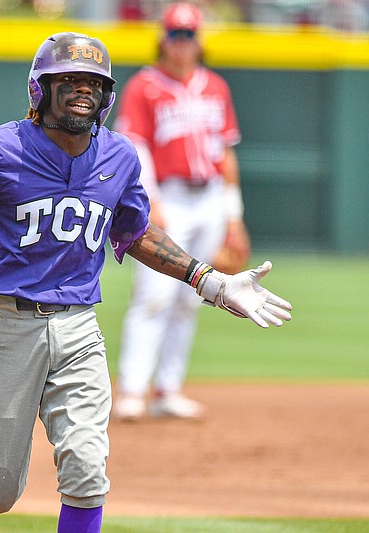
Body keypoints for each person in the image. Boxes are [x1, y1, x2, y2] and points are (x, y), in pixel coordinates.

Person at [0, 31, 292, 533]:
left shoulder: (118, 157)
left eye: (92, 82)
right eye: (67, 80)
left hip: (78, 330)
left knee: (88, 473)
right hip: (4, 327)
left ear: (107, 96)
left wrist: (211, 282)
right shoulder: (0, 150)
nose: (81, 90)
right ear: (39, 90)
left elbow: (134, 233)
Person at [111, 2, 251, 422]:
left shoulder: (215, 87)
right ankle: (132, 389)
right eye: (176, 34)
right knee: (153, 295)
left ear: (199, 40)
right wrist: (150, 198)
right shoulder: (144, 86)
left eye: (189, 35)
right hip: (168, 194)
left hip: (209, 197)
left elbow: (225, 154)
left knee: (194, 296)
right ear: (163, 39)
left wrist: (234, 217)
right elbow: (136, 146)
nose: (182, 43)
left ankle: (166, 389)